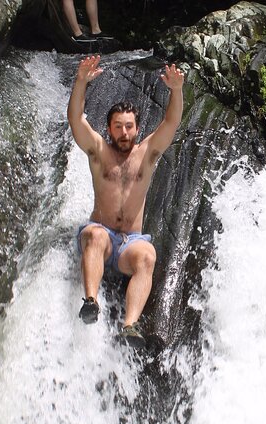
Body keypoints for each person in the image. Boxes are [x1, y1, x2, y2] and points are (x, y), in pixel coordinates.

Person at [67, 55, 184, 348]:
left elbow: (171, 122)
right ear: (109, 129)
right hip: (103, 239)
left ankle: (129, 326)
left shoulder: (146, 153)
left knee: (148, 255)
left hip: (130, 243)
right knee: (93, 234)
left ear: (137, 128)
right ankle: (91, 301)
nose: (124, 133)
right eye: (118, 127)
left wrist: (177, 90)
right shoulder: (98, 151)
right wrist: (81, 81)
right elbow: (76, 120)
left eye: (129, 126)